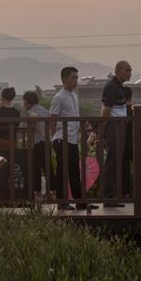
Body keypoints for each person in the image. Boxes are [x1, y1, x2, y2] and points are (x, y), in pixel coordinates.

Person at [49, 66, 84, 210]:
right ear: (64, 79)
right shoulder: (58, 97)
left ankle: (80, 202)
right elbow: (52, 118)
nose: (75, 80)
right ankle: (62, 202)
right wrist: (54, 137)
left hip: (73, 139)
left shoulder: (74, 96)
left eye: (76, 77)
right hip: (62, 139)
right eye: (73, 77)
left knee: (75, 171)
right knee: (63, 171)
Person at [100, 61, 133, 207]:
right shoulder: (111, 87)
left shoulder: (119, 87)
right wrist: (102, 131)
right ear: (118, 70)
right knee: (112, 162)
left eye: (130, 70)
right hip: (114, 127)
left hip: (120, 127)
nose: (129, 73)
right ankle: (108, 197)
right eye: (126, 70)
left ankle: (114, 195)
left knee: (117, 161)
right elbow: (106, 110)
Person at [22, 90, 49, 195]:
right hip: (46, 140)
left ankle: (37, 192)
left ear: (28, 101)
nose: (23, 104)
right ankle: (52, 191)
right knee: (47, 167)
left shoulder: (31, 111)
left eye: (24, 101)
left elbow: (34, 117)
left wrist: (31, 127)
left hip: (37, 142)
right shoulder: (44, 109)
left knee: (36, 168)